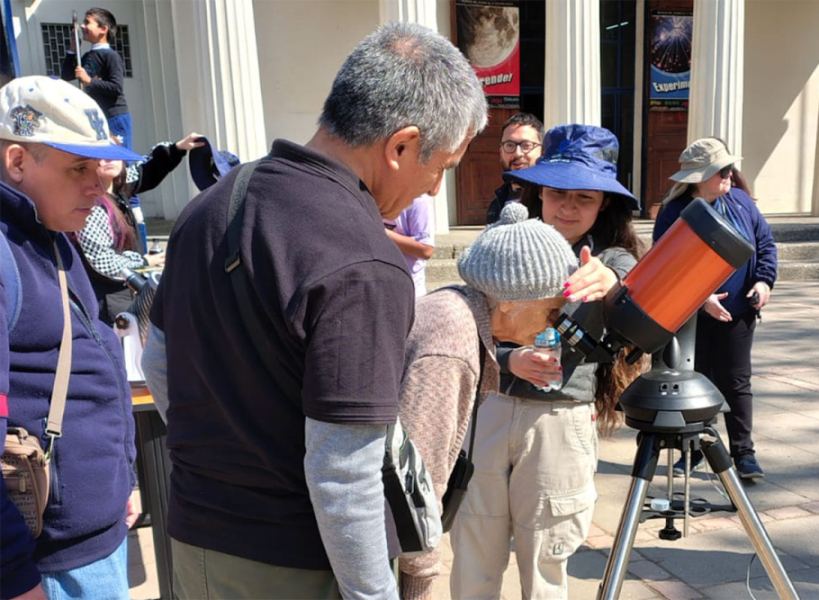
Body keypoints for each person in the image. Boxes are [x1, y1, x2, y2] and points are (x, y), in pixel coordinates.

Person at [140, 22, 487, 600]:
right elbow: (344, 473)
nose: (433, 190)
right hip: (295, 563)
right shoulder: (366, 262)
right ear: (401, 146)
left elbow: (158, 361)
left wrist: (222, 454)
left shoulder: (214, 204)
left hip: (196, 539)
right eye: (442, 167)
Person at [450, 124, 645, 599]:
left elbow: (642, 327)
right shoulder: (504, 243)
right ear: (539, 192)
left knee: (545, 562)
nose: (568, 207)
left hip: (560, 418)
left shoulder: (612, 259)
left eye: (585, 197)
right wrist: (508, 358)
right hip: (490, 407)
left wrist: (613, 288)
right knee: (474, 552)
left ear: (604, 204)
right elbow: (466, 325)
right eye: (558, 193)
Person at [0, 75, 143, 600]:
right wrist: (14, 577)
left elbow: (91, 360)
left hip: (92, 539)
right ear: (18, 161)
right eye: (79, 167)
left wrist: (124, 476)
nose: (98, 186)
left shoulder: (51, 233)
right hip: (47, 567)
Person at [398, 202, 578, 599]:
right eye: (552, 309)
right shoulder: (453, 342)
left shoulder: (454, 307)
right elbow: (415, 486)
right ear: (511, 300)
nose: (554, 323)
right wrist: (418, 581)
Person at [653, 137, 777, 480]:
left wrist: (763, 281)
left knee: (736, 383)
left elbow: (765, 245)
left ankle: (744, 454)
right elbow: (666, 265)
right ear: (699, 178)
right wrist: (701, 297)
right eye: (721, 170)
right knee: (696, 383)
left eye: (729, 168)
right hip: (692, 316)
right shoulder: (674, 212)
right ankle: (692, 451)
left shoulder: (740, 201)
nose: (729, 174)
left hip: (738, 312)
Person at [74, 134, 205, 324]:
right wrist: (143, 261)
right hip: (109, 299)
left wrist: (177, 148)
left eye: (114, 152)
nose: (109, 158)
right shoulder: (92, 206)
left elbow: (146, 171)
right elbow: (102, 260)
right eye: (101, 154)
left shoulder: (118, 187)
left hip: (126, 291)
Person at [62, 8, 132, 150]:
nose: (82, 26)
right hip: (96, 117)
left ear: (103, 29)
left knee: (120, 158)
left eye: (87, 22)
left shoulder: (111, 56)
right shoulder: (87, 56)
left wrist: (89, 81)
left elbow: (116, 87)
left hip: (114, 116)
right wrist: (72, 50)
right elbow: (67, 75)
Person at [485, 113, 543, 225]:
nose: (517, 153)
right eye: (509, 145)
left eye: (526, 145)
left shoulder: (551, 202)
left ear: (542, 150)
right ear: (501, 152)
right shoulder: (496, 204)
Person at [385, 194, 436, 297]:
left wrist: (380, 232)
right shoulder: (366, 197)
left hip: (408, 291)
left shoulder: (418, 201)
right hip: (376, 287)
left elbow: (426, 249)